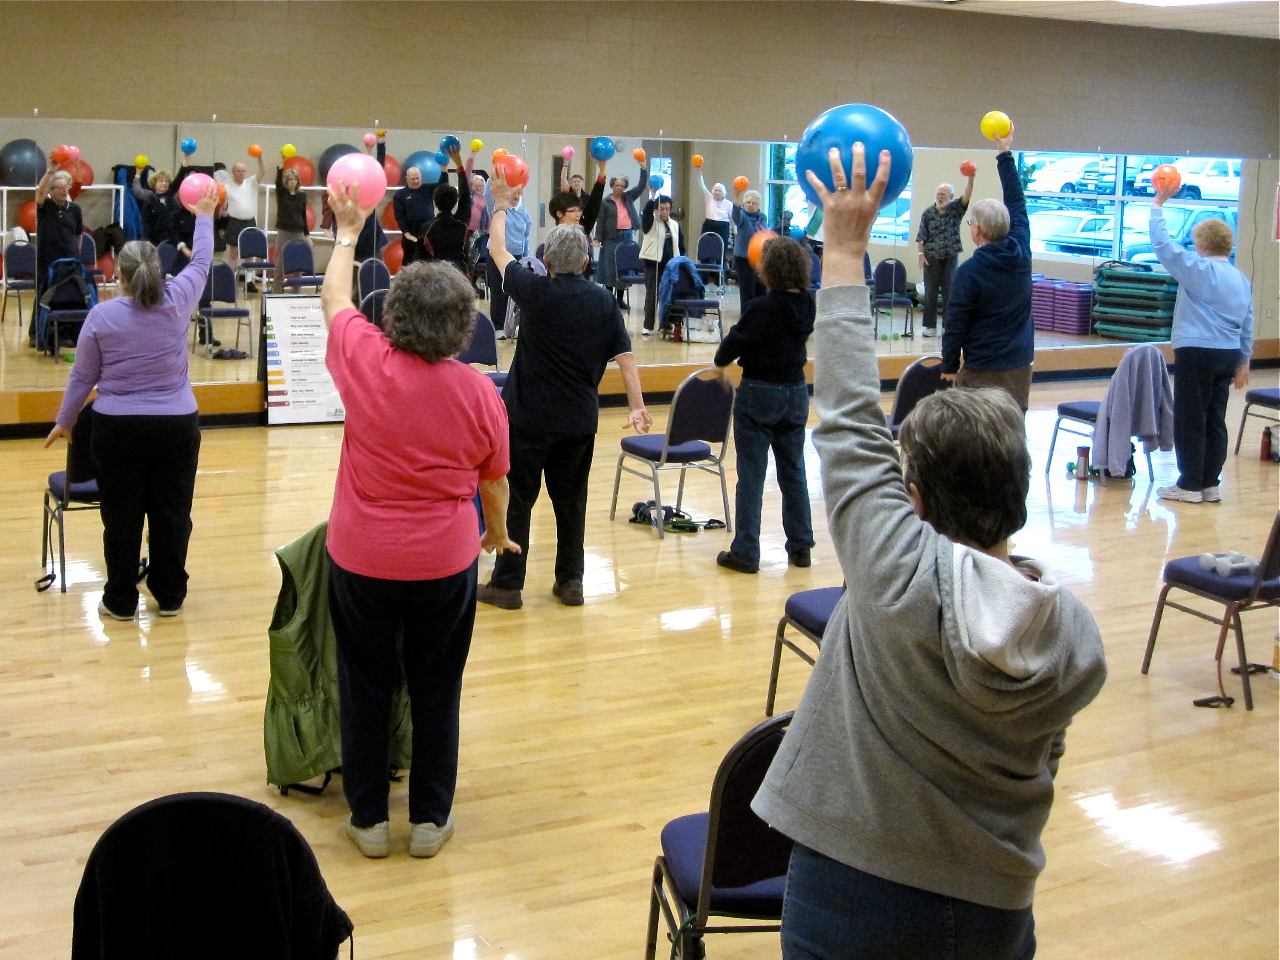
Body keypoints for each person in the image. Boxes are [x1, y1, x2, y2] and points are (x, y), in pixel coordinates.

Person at [752, 143, 1107, 960]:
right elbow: (852, 430)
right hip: (995, 907)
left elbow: (844, 416)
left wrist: (841, 251)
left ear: (911, 498)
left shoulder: (896, 576)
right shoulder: (1075, 638)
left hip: (855, 895)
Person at [319, 178, 517, 860]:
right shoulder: (479, 392)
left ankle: (370, 822)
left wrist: (349, 230)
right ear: (464, 325)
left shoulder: (364, 361)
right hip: (445, 564)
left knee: (365, 684)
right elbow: (495, 482)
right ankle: (430, 821)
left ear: (393, 315)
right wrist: (495, 535)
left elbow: (335, 298)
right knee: (438, 688)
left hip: (361, 560)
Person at [44, 180, 221, 621]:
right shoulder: (179, 298)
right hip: (177, 427)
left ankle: (121, 601)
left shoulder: (102, 315)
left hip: (117, 429)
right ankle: (170, 596)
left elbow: (83, 375)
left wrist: (65, 421)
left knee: (121, 517)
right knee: (172, 513)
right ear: (158, 271)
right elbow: (201, 259)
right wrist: (203, 215)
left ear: (118, 274)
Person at [478, 169, 651, 611]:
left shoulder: (535, 290)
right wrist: (637, 409)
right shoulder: (604, 301)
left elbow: (496, 250)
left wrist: (499, 206)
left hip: (528, 419)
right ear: (588, 262)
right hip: (578, 421)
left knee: (518, 501)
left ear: (548, 262)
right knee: (571, 504)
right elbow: (626, 359)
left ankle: (508, 585)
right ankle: (571, 582)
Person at [713, 235, 816, 573]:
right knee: (794, 471)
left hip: (760, 392)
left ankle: (746, 551)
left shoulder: (762, 308)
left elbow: (730, 348)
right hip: (796, 391)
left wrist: (724, 353)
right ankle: (801, 546)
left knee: (752, 475)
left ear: (768, 269)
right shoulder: (808, 303)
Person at [1149, 181, 1253, 504]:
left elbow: (1164, 247)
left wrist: (1157, 206)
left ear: (1202, 245)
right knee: (1214, 417)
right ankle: (1210, 483)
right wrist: (1244, 360)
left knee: (1191, 417)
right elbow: (1248, 321)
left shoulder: (1199, 269)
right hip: (1228, 355)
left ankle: (1189, 484)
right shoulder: (1240, 278)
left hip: (1197, 351)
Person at [939, 124, 1033, 411]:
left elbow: (955, 323)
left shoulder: (969, 271)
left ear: (977, 229)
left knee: (976, 438)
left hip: (982, 369)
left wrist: (950, 365)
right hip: (1019, 366)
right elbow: (1016, 199)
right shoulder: (1021, 249)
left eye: (971, 224)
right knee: (1010, 435)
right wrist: (1004, 153)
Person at [915, 172, 975, 337]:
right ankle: (930, 326)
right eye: (938, 194)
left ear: (951, 196)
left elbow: (967, 195)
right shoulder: (928, 213)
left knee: (950, 292)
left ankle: (948, 326)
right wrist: (921, 254)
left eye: (943, 194)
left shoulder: (956, 209)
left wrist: (971, 178)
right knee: (930, 293)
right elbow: (921, 237)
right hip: (931, 257)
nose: (940, 197)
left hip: (950, 256)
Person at [32, 155, 84, 334]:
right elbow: (39, 192)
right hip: (47, 260)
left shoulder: (75, 209)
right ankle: (37, 334)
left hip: (69, 260)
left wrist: (75, 255)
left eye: (65, 186)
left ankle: (66, 332)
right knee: (43, 295)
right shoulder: (44, 206)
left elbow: (78, 235)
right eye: (59, 187)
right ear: (51, 190)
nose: (63, 190)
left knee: (70, 295)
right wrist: (51, 170)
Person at [483, 174, 532, 337]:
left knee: (515, 294)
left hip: (516, 257)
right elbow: (488, 194)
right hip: (497, 256)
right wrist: (496, 173)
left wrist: (525, 258)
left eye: (519, 194)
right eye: (513, 193)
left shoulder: (524, 214)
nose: (516, 197)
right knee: (498, 291)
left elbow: (525, 237)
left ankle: (513, 327)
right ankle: (498, 327)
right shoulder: (499, 210)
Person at [594, 168, 649, 308]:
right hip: (610, 238)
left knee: (623, 268)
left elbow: (642, 186)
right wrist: (597, 238)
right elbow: (600, 221)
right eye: (617, 185)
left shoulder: (628, 197)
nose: (619, 188)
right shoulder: (605, 202)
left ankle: (620, 299)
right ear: (612, 185)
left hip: (627, 236)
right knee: (609, 268)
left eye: (622, 186)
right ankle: (609, 298)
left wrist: (643, 168)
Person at [420, 145, 474, 274]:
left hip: (437, 278)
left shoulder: (427, 228)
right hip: (460, 276)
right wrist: (459, 165)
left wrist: (443, 171)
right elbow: (465, 196)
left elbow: (419, 260)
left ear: (435, 202)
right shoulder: (461, 223)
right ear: (456, 201)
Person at [639, 192, 687, 337]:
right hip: (652, 263)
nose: (664, 212)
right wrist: (652, 198)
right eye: (661, 209)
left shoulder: (674, 225)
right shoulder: (650, 222)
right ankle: (648, 325)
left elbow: (680, 245)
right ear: (656, 209)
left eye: (667, 209)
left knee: (669, 295)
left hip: (670, 265)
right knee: (652, 295)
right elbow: (647, 213)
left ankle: (667, 324)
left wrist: (680, 260)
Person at [215, 156, 267, 270]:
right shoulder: (227, 187)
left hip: (250, 221)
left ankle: (249, 281)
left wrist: (259, 158)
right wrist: (221, 226)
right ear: (233, 172)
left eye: (243, 171)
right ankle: (231, 279)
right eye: (238, 171)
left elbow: (263, 171)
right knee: (234, 252)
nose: (241, 173)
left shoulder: (251, 183)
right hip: (234, 222)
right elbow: (223, 210)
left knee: (250, 253)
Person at [271, 159, 312, 295]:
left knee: (298, 267)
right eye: (289, 179)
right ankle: (276, 294)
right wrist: (282, 165)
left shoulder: (302, 196)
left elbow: (303, 216)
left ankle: (297, 294)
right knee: (280, 265)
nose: (292, 182)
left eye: (295, 179)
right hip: (284, 232)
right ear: (285, 181)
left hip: (298, 233)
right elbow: (278, 183)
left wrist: (307, 235)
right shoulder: (282, 195)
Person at [731, 187, 768, 306]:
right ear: (744, 203)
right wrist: (737, 195)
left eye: (754, 203)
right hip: (743, 258)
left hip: (759, 259)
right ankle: (747, 317)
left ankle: (760, 318)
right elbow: (736, 217)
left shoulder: (762, 217)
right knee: (747, 291)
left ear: (758, 205)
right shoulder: (742, 216)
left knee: (761, 290)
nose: (751, 205)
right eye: (748, 202)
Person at [394, 163, 436, 267]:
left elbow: (444, 184)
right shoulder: (400, 195)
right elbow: (399, 217)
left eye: (418, 178)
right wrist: (407, 235)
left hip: (428, 236)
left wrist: (444, 169)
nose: (416, 181)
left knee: (429, 266)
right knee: (409, 265)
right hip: (410, 238)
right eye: (413, 179)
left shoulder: (428, 189)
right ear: (407, 179)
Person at [698, 174, 733, 250]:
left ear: (723, 193)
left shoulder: (729, 204)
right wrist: (699, 173)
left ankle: (720, 262)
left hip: (723, 227)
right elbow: (702, 186)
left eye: (719, 191)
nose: (717, 192)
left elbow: (732, 218)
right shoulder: (709, 198)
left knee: (721, 249)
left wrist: (734, 231)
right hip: (709, 225)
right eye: (715, 190)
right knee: (705, 248)